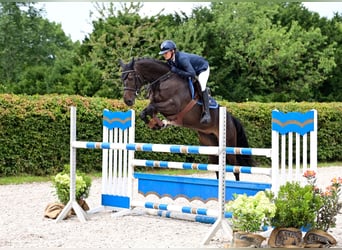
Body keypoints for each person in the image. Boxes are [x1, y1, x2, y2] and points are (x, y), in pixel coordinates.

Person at [158, 40, 211, 124]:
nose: (164, 55)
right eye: (163, 53)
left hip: (202, 69)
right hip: (189, 70)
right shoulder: (170, 59)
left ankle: (207, 113)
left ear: (172, 51)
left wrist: (176, 70)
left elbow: (192, 74)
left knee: (202, 85)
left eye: (166, 53)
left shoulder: (182, 59)